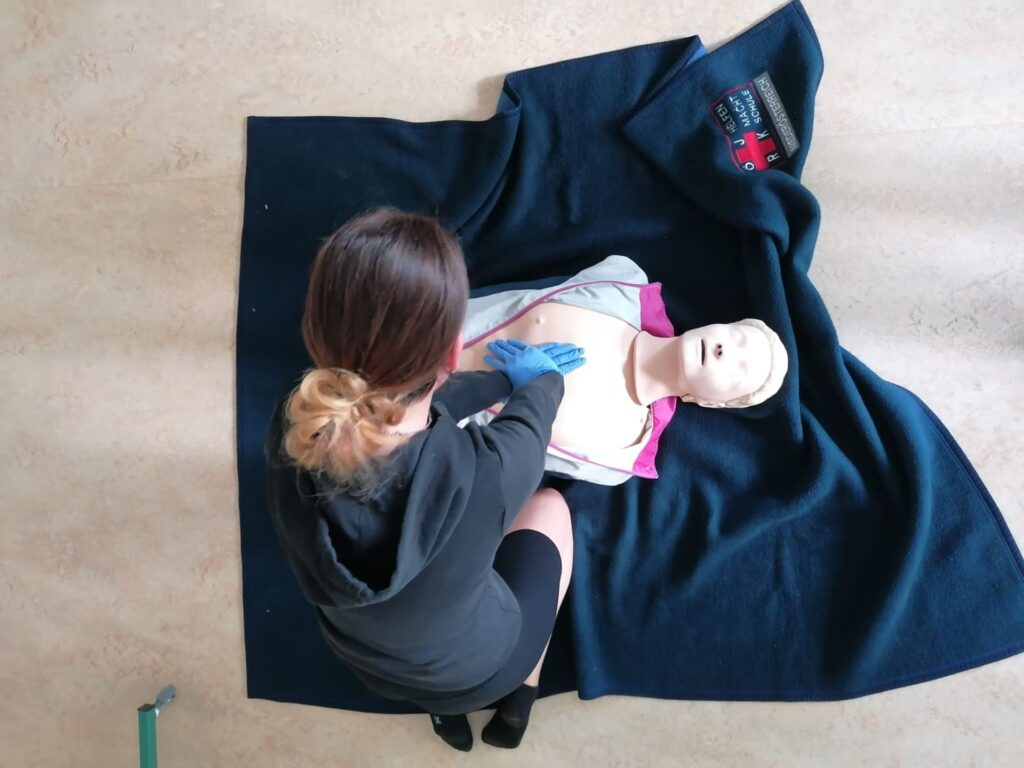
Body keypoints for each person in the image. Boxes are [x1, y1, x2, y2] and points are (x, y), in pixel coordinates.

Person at [264, 206, 587, 751]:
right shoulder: (485, 472)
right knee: (551, 507)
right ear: (455, 351)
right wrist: (541, 383)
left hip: (369, 666)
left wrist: (494, 384)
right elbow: (529, 428)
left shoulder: (291, 429)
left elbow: (397, 412)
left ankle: (443, 713)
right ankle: (520, 697)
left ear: (315, 331)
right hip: (484, 668)